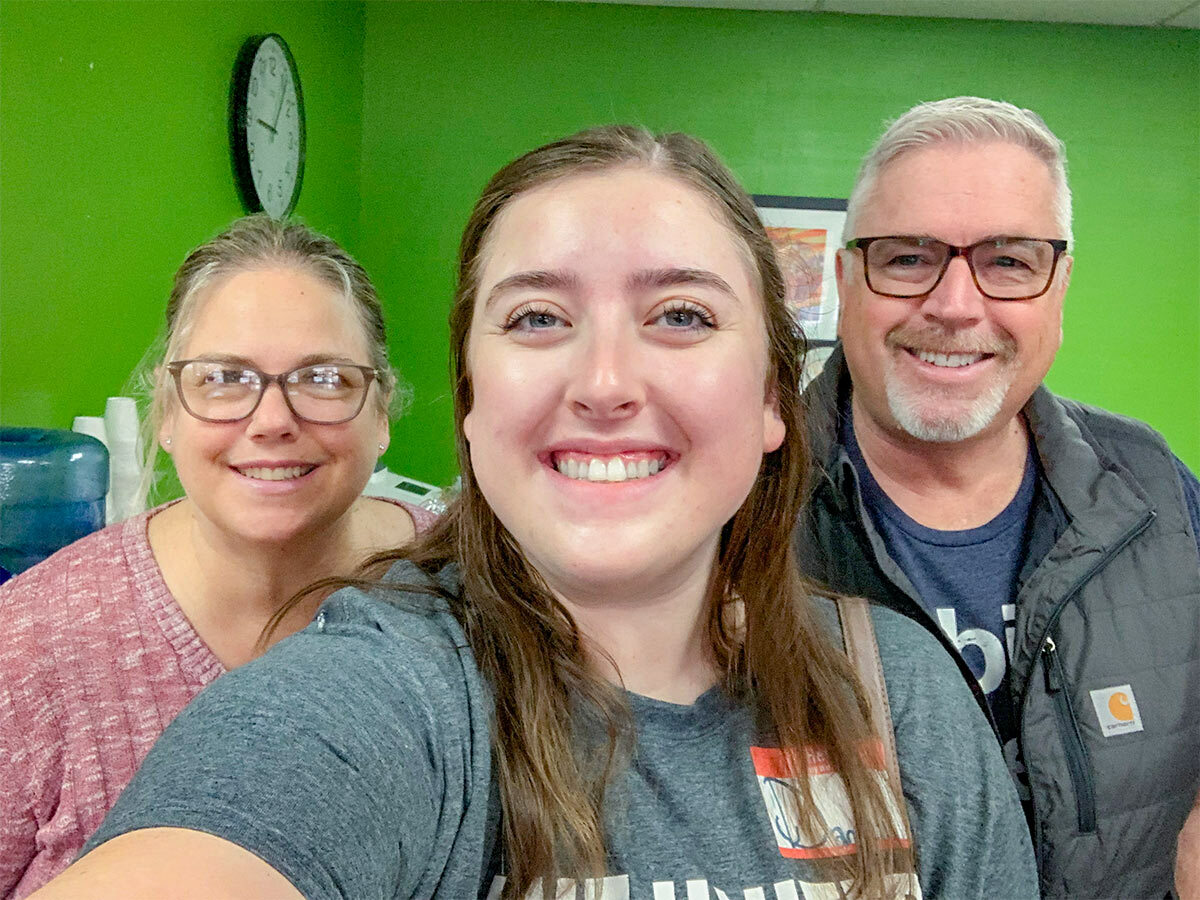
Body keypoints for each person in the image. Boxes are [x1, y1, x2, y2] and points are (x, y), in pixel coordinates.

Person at [30, 126, 1035, 900]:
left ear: (775, 396)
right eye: (538, 318)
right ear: (471, 403)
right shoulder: (391, 698)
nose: (603, 381)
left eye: (680, 314)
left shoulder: (901, 701)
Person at [793, 96, 1200, 899]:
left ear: (1059, 286)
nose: (954, 305)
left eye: (1008, 261)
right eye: (908, 258)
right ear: (846, 278)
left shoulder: (1151, 482)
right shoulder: (740, 504)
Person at [0, 215, 437, 898]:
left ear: (381, 412)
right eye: (224, 377)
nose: (271, 420)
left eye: (323, 378)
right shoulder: (26, 648)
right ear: (168, 413)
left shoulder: (480, 593)